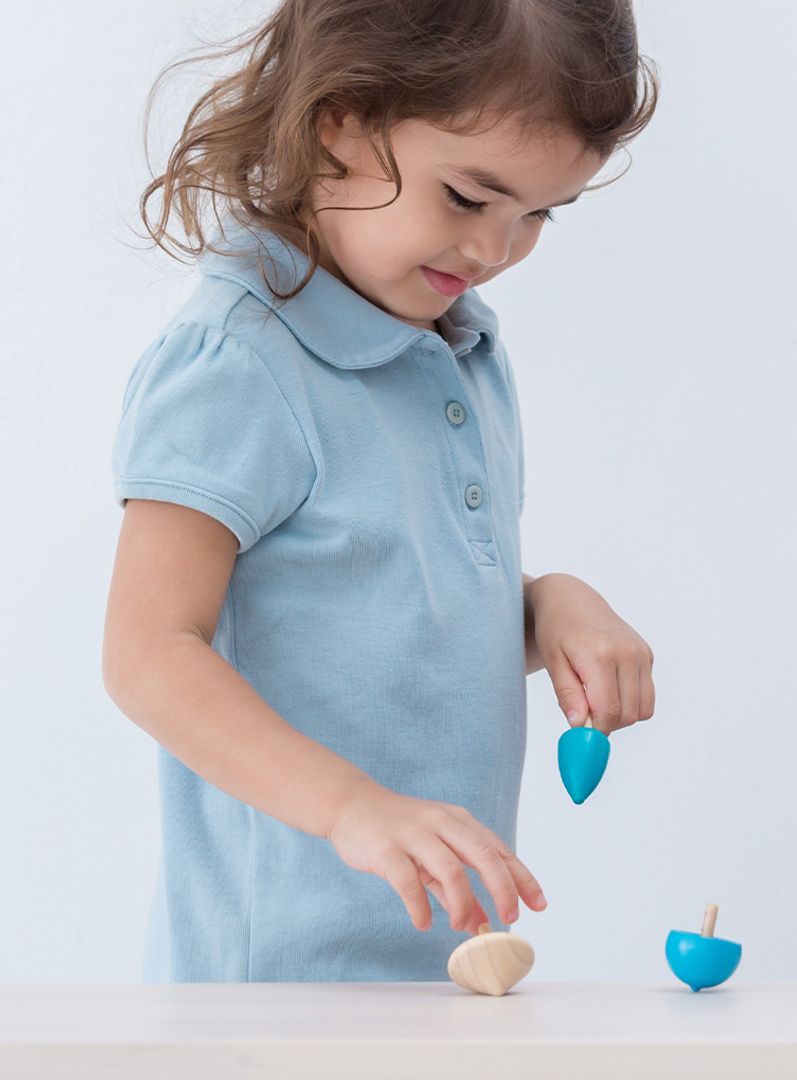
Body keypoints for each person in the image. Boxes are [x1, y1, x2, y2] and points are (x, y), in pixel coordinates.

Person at [102, 0, 660, 982]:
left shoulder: (459, 346)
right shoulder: (238, 360)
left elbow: (391, 608)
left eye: (539, 214)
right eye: (468, 196)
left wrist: (546, 606)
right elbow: (147, 652)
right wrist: (350, 808)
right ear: (342, 118)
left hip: (436, 971)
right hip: (271, 996)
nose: (495, 250)